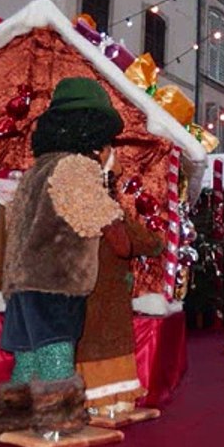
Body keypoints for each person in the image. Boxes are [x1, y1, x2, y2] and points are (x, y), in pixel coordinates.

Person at [0, 77, 125, 440]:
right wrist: (118, 225)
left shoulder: (35, 172)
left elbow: (16, 224)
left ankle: (14, 419)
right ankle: (59, 422)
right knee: (55, 350)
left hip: (20, 282)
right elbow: (93, 213)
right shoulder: (76, 166)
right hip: (56, 279)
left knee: (27, 355)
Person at [76, 159, 164, 423]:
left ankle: (92, 401)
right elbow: (146, 244)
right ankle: (115, 402)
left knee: (88, 343)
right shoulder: (110, 213)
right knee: (109, 343)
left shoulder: (70, 208)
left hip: (83, 292)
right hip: (110, 292)